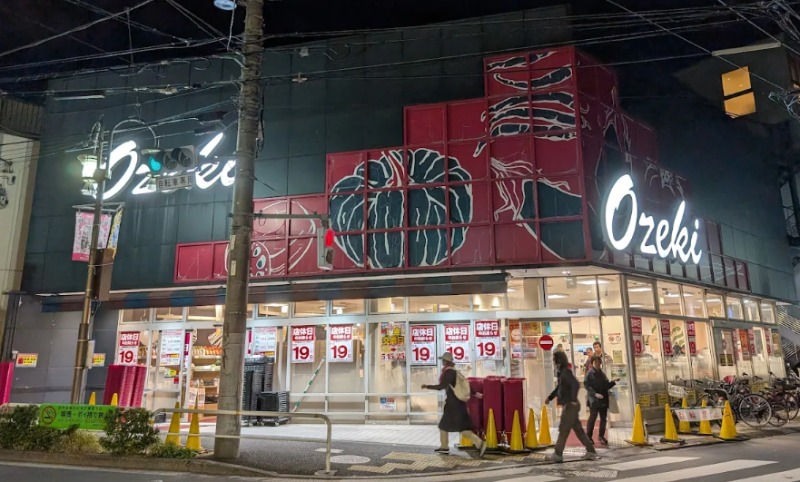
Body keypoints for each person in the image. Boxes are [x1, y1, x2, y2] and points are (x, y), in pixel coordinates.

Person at [422, 351, 487, 457]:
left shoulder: (449, 372)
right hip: (458, 404)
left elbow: (441, 386)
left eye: (443, 360)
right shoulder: (455, 372)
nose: (442, 362)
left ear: (445, 361)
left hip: (453, 405)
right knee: (458, 427)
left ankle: (479, 443)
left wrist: (427, 386)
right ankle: (445, 447)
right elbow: (466, 384)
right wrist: (475, 393)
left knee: (447, 426)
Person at [545, 350, 599, 462]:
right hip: (571, 405)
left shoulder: (565, 372)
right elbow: (559, 388)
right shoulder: (562, 372)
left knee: (563, 429)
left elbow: (575, 384)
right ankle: (591, 451)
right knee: (578, 431)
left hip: (570, 406)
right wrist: (550, 397)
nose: (554, 362)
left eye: (554, 359)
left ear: (559, 361)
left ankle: (558, 454)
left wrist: (573, 399)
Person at [584, 355, 619, 445]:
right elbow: (587, 386)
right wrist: (595, 394)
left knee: (603, 419)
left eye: (599, 362)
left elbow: (606, 386)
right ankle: (588, 437)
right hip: (594, 400)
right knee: (593, 418)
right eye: (595, 362)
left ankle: (601, 436)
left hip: (603, 399)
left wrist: (613, 382)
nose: (597, 364)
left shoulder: (602, 373)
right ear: (592, 363)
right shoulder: (590, 374)